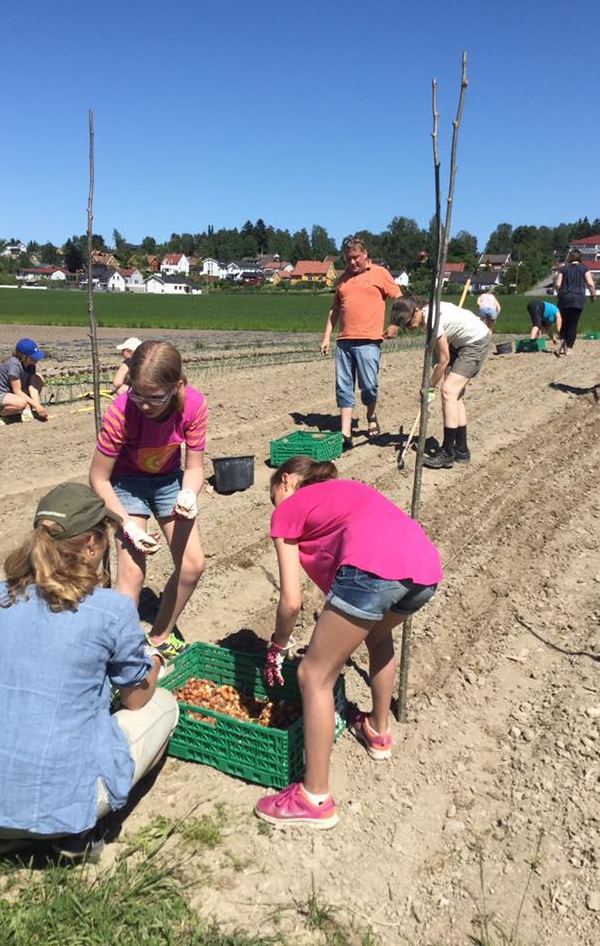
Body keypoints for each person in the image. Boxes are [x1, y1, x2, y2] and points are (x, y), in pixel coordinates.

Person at [0, 482, 178, 860]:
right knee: (164, 706)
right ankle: (78, 832)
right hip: (64, 802)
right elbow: (135, 698)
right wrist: (153, 661)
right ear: (91, 544)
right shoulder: (111, 610)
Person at [254, 457, 442, 829]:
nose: (275, 503)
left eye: (273, 493)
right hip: (425, 570)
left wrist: (278, 646)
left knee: (313, 675)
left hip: (372, 570)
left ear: (286, 481)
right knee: (378, 635)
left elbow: (292, 601)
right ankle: (378, 730)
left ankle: (314, 798)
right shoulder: (346, 490)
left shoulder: (289, 507)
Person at [89, 341, 208, 658]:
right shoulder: (120, 412)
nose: (143, 404)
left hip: (169, 481)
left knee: (192, 565)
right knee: (132, 575)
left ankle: (159, 637)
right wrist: (126, 524)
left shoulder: (193, 406)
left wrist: (188, 493)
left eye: (154, 397)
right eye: (136, 393)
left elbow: (195, 468)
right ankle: (120, 653)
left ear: (177, 386)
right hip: (126, 485)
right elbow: (98, 478)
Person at [385, 295, 492, 469]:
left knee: (448, 391)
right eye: (403, 325)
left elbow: (443, 359)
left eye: (408, 322)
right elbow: (439, 351)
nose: (409, 327)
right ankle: (462, 450)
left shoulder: (431, 320)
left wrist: (430, 388)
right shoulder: (427, 313)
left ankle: (447, 453)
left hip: (475, 343)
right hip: (461, 343)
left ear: (417, 310)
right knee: (455, 396)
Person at [320, 236, 402, 449]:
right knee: (343, 386)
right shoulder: (343, 279)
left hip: (369, 341)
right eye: (348, 259)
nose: (353, 262)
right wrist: (326, 337)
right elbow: (335, 309)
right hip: (344, 341)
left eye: (356, 257)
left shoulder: (380, 274)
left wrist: (395, 325)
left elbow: (399, 299)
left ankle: (371, 415)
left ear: (365, 255)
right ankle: (345, 432)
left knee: (369, 386)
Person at [0, 338, 48, 421]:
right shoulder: (14, 365)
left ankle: (27, 408)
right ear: (24, 356)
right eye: (32, 357)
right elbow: (17, 391)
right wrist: (37, 406)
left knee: (38, 378)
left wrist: (37, 405)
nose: (36, 359)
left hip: (12, 393)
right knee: (20, 403)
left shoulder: (31, 365)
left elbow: (32, 386)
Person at [554, 251, 596, 356]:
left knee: (564, 322)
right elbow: (590, 284)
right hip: (578, 298)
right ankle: (568, 348)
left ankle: (563, 345)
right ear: (580, 258)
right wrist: (593, 295)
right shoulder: (584, 268)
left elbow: (558, 284)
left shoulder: (563, 269)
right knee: (573, 324)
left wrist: (560, 293)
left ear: (570, 258)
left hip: (564, 298)